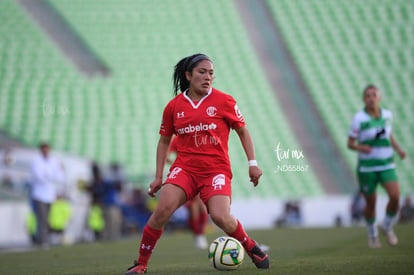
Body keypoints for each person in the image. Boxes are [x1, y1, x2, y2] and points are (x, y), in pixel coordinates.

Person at [125, 54, 270, 274]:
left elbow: (242, 130)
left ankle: (249, 245)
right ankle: (141, 264)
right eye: (202, 72)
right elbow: (164, 141)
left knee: (220, 217)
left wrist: (253, 163)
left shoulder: (224, 101)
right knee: (162, 210)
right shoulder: (174, 107)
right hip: (184, 169)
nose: (207, 77)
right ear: (188, 75)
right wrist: (158, 177)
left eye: (211, 73)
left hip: (216, 170)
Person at [347, 85, 406, 248]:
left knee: (395, 196)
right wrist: (362, 147)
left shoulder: (387, 115)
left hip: (387, 164)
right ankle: (372, 233)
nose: (371, 98)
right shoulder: (359, 118)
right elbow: (350, 144)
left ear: (379, 97)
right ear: (363, 99)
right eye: (367, 95)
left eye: (374, 95)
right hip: (367, 167)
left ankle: (387, 225)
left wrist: (398, 149)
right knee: (371, 203)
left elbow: (388, 134)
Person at [167, 135, 209, 249]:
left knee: (200, 205)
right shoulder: (179, 139)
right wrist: (178, 166)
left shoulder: (195, 136)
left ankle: (200, 235)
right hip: (189, 174)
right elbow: (166, 155)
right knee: (195, 206)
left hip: (199, 173)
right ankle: (199, 235)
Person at [30, 143, 65, 248]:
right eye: (44, 149)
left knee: (47, 218)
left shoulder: (53, 160)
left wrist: (49, 176)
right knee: (42, 218)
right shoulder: (36, 160)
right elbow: (39, 176)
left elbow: (59, 176)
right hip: (39, 195)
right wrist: (51, 176)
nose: (45, 151)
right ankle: (43, 240)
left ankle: (43, 239)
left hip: (49, 195)